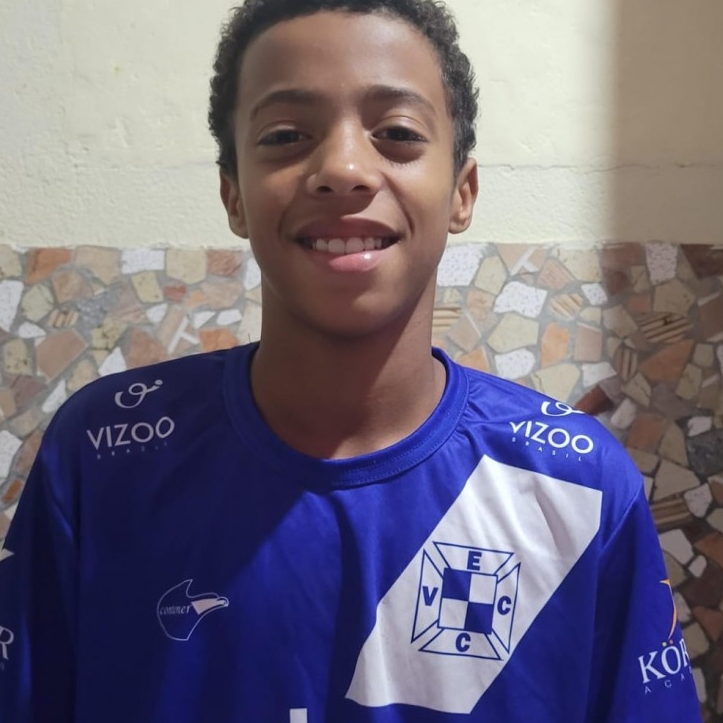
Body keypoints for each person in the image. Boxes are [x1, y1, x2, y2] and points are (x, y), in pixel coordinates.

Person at [0, 0, 703, 721]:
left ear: (461, 192)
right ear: (233, 195)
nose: (341, 168)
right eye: (285, 136)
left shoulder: (576, 484)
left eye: (397, 133)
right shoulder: (102, 456)